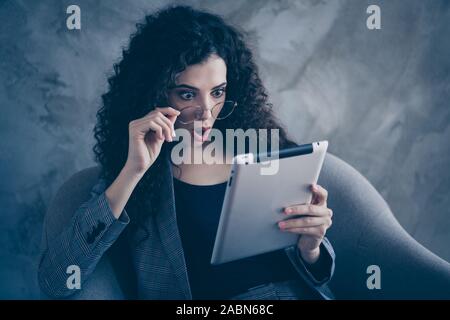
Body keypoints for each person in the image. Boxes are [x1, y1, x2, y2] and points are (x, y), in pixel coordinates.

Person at [38, 5, 335, 300]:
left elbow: (315, 273)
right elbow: (56, 281)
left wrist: (311, 249)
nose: (206, 113)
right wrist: (132, 171)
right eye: (187, 94)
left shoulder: (261, 147)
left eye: (218, 92)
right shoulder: (138, 174)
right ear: (154, 92)